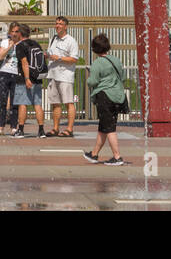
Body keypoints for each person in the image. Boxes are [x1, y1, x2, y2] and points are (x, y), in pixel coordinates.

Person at [83, 33, 126, 166]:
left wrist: (89, 77)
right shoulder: (116, 60)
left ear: (94, 49)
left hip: (105, 96)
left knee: (110, 128)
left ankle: (117, 157)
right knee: (104, 126)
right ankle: (94, 154)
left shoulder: (97, 63)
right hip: (118, 95)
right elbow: (122, 77)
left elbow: (93, 81)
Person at [46, 16, 80, 137]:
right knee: (55, 103)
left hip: (65, 76)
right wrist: (47, 56)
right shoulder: (53, 39)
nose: (57, 26)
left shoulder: (71, 40)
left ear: (66, 26)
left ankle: (69, 129)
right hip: (53, 74)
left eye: (60, 24)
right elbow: (50, 54)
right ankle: (55, 128)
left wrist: (59, 58)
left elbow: (74, 58)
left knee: (68, 102)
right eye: (56, 23)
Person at [12, 23, 46, 138]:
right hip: (37, 78)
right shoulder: (36, 44)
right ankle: (41, 131)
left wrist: (26, 78)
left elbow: (24, 63)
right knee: (37, 104)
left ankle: (20, 130)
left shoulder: (20, 46)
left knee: (23, 104)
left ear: (20, 34)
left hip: (24, 79)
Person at [0, 24, 21, 136]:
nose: (14, 34)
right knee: (2, 101)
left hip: (16, 73)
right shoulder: (5, 42)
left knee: (15, 102)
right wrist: (10, 47)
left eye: (16, 31)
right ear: (10, 32)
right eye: (12, 31)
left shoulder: (21, 43)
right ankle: (0, 126)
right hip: (4, 72)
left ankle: (14, 126)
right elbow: (0, 56)